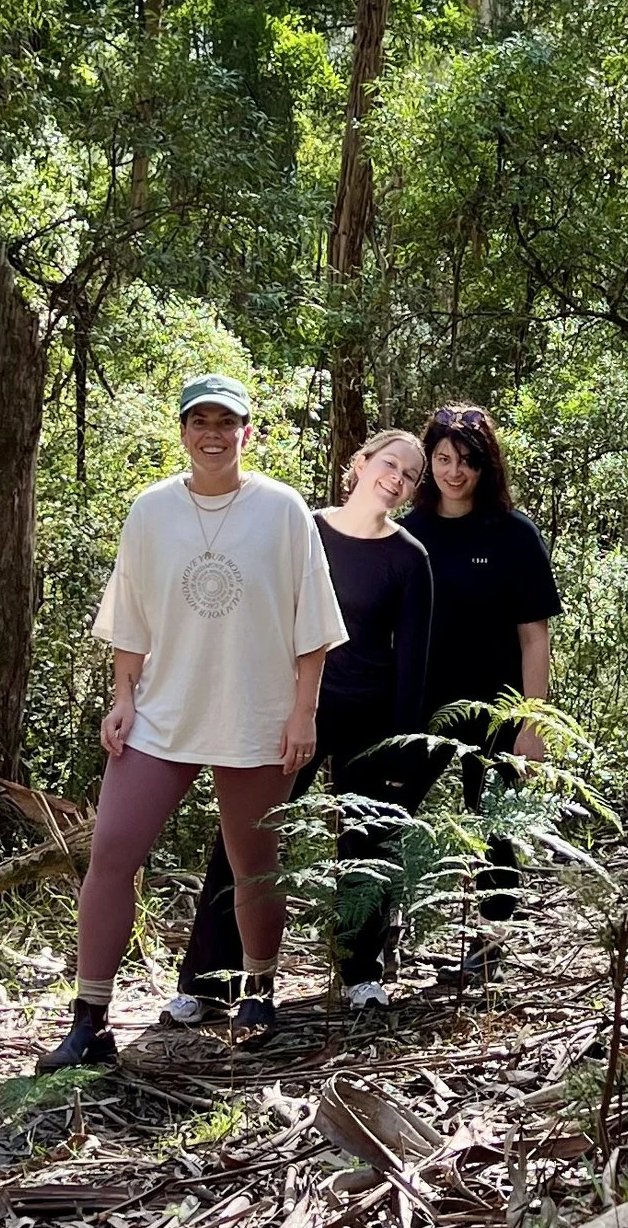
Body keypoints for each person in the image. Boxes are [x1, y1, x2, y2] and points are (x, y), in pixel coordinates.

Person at [38, 374, 348, 1073]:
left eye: (225, 422)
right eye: (198, 421)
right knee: (113, 852)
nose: (211, 434)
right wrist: (123, 697)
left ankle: (260, 988)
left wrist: (305, 712)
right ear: (181, 431)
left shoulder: (282, 510)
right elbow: (131, 617)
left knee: (252, 864)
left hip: (256, 715)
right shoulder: (150, 511)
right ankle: (90, 1020)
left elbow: (313, 626)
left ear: (248, 431)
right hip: (162, 714)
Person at [167, 429, 434, 1024]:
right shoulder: (303, 527)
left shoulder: (409, 559)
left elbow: (411, 664)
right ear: (361, 465)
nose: (397, 479)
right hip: (286, 709)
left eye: (411, 476)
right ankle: (211, 981)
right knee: (246, 838)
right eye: (390, 464)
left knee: (368, 843)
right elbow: (258, 614)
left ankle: (362, 974)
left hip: (367, 717)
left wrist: (403, 751)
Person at [405, 402, 563, 985]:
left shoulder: (514, 535)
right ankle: (380, 939)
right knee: (389, 815)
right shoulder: (409, 531)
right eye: (443, 459)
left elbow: (534, 637)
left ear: (485, 467)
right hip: (419, 703)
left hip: (499, 707)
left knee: (497, 822)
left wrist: (533, 720)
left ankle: (490, 940)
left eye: (467, 462)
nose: (454, 472)